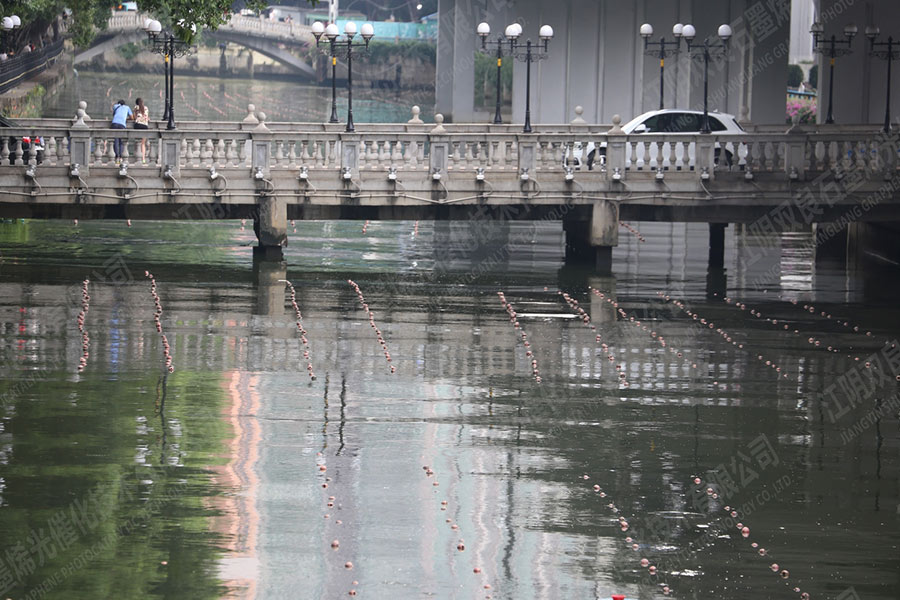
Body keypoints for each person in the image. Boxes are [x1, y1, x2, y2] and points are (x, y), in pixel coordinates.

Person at [110, 99, 133, 163]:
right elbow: (132, 117)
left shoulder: (116, 106)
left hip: (114, 124)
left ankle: (116, 157)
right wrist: (125, 118)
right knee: (121, 142)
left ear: (118, 103)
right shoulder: (127, 107)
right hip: (122, 124)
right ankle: (120, 158)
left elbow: (113, 114)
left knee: (116, 141)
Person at [133, 97, 149, 164]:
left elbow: (134, 117)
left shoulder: (136, 108)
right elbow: (147, 117)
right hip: (145, 126)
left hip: (138, 125)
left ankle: (137, 158)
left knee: (137, 141)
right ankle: (143, 159)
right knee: (143, 143)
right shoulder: (146, 108)